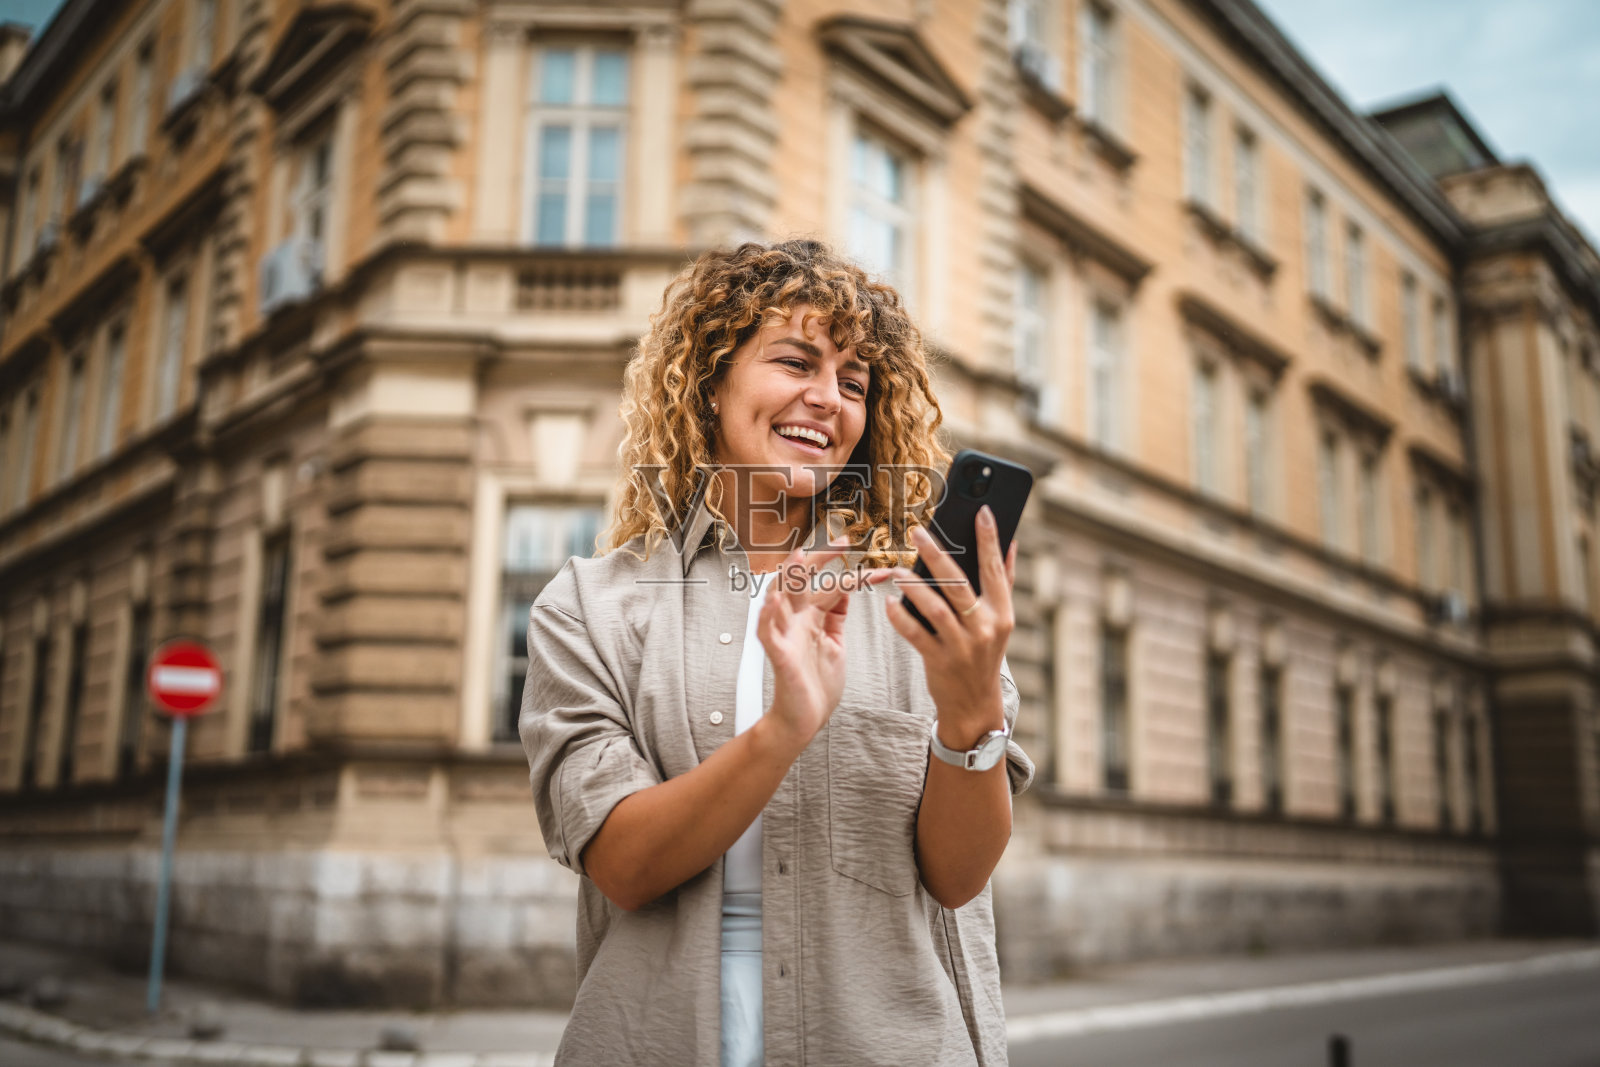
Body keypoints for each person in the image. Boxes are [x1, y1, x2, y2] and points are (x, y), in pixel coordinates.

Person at [520, 239, 1033, 1067]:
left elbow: (958, 876)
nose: (827, 398)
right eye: (796, 361)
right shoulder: (589, 606)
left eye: (855, 383)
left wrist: (970, 716)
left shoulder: (923, 602)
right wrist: (782, 728)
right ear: (710, 380)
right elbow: (623, 862)